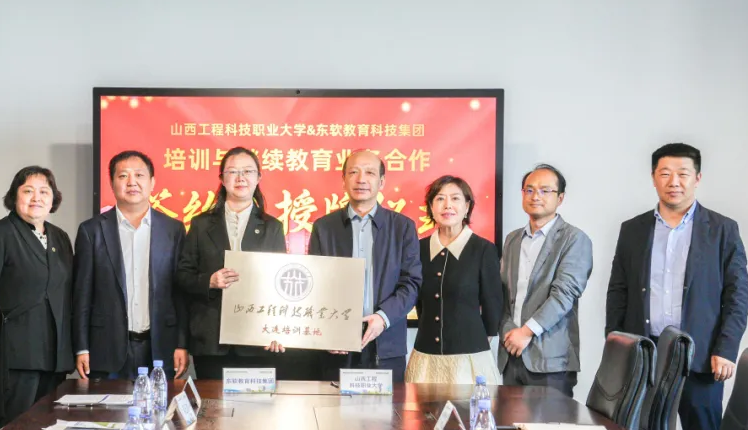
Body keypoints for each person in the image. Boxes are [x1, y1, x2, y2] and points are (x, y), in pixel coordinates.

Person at [607, 143, 748, 430]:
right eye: (665, 173)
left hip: (701, 356)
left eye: (683, 174)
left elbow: (737, 296)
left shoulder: (722, 229)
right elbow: (618, 291)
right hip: (646, 354)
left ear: (697, 178)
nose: (674, 182)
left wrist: (726, 349)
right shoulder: (633, 229)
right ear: (653, 177)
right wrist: (615, 345)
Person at [175, 147, 317, 380]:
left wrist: (278, 329)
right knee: (212, 402)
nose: (240, 178)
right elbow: (183, 275)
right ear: (222, 179)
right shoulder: (201, 224)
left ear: (258, 177)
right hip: (211, 339)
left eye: (248, 171)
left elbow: (280, 285)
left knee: (255, 402)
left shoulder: (272, 227)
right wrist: (209, 281)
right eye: (233, 171)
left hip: (256, 339)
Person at [0, 166, 74, 430]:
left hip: (54, 357)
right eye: (28, 191)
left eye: (44, 192)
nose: (36, 198)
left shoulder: (60, 238)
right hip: (13, 356)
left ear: (53, 198)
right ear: (14, 196)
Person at [73, 151, 188, 381]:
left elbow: (180, 292)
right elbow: (82, 294)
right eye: (123, 176)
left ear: (152, 182)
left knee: (159, 405)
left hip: (160, 347)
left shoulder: (173, 230)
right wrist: (81, 347)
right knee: (107, 406)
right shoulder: (91, 230)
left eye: (139, 175)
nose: (132, 182)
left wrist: (182, 343)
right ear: (112, 183)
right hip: (106, 348)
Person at [308, 149, 422, 382]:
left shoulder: (402, 227)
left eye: (370, 173)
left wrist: (382, 318)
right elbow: (314, 285)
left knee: (389, 407)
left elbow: (411, 283)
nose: (361, 179)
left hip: (385, 343)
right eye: (354, 172)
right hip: (337, 344)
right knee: (333, 405)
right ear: (343, 180)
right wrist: (327, 330)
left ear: (382, 182)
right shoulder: (324, 227)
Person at [497, 165, 593, 398]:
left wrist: (526, 332)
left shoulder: (574, 239)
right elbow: (503, 293)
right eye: (529, 190)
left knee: (551, 422)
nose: (535, 196)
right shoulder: (512, 239)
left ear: (560, 198)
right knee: (509, 421)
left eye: (545, 190)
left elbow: (564, 295)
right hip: (511, 354)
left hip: (550, 361)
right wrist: (510, 332)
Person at [405, 176, 503, 384]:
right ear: (431, 207)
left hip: (469, 359)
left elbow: (492, 305)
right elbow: (418, 301)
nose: (447, 205)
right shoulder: (419, 249)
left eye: (455, 198)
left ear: (467, 207)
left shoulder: (483, 249)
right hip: (426, 358)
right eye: (440, 199)